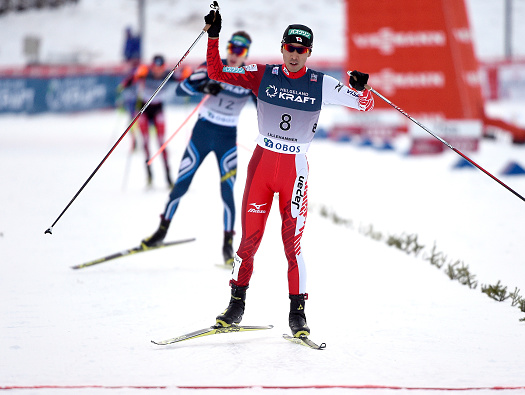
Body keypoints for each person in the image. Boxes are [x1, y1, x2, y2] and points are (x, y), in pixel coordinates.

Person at [203, 10, 374, 339]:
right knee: (248, 243)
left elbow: (365, 105)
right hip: (262, 165)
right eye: (290, 48)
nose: (295, 55)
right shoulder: (262, 74)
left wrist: (362, 87)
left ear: (309, 53)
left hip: (294, 169)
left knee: (292, 246)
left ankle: (298, 313)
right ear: (282, 48)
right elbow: (216, 70)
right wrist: (214, 36)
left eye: (302, 50)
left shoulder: (321, 83)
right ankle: (235, 305)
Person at [141, 32, 256, 267]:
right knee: (181, 184)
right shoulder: (213, 67)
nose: (234, 55)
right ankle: (161, 232)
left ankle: (227, 246)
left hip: (227, 138)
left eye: (241, 51)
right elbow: (181, 90)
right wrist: (204, 85)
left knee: (227, 192)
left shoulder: (250, 75)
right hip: (202, 134)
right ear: (227, 48)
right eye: (232, 48)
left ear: (246, 54)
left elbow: (263, 104)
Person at [120, 54, 174, 187]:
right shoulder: (145, 73)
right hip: (144, 109)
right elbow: (125, 85)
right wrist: (136, 76)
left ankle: (168, 177)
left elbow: (186, 78)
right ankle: (149, 175)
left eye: (160, 68)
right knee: (146, 142)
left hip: (158, 110)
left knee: (161, 143)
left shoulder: (169, 75)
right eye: (155, 68)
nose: (158, 71)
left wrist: (186, 73)